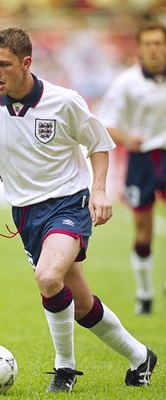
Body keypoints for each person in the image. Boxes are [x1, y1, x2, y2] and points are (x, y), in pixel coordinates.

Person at [0, 27, 157, 392]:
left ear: (26, 63)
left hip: (69, 203)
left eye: (3, 64)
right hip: (25, 215)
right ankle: (140, 357)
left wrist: (99, 191)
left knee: (48, 278)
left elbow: (99, 144)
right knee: (80, 302)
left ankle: (64, 369)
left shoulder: (64, 101)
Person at [97, 21, 166, 315]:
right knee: (143, 231)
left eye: (159, 43)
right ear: (139, 49)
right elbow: (105, 124)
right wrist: (128, 139)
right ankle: (145, 293)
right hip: (142, 160)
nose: (154, 49)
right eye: (148, 44)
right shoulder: (126, 83)